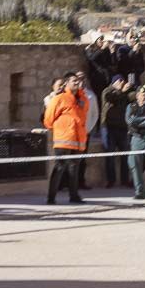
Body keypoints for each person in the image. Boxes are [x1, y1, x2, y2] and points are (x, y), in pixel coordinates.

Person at [43, 73, 89, 205]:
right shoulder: (60, 98)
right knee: (60, 167)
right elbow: (48, 119)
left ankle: (74, 195)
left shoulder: (83, 99)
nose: (77, 82)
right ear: (66, 83)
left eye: (78, 80)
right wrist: (61, 129)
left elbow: (84, 115)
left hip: (78, 140)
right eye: (74, 80)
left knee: (74, 168)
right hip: (64, 139)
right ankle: (51, 197)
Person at [100, 75, 134, 188]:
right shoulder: (107, 91)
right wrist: (121, 91)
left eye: (122, 81)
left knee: (125, 155)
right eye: (119, 81)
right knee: (110, 155)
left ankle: (125, 180)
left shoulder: (125, 92)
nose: (121, 82)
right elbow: (110, 98)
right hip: (109, 127)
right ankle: (111, 180)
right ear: (114, 82)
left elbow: (133, 97)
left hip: (123, 127)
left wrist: (132, 88)